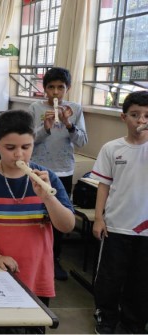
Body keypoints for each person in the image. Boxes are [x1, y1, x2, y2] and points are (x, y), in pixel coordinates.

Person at [0, 110, 75, 307]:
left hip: (36, 273)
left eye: (26, 147)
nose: (19, 154)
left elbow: (67, 226)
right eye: (10, 147)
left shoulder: (48, 178)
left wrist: (48, 199)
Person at [91, 91, 148, 334]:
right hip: (116, 226)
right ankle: (107, 317)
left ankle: (133, 323)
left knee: (141, 280)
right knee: (110, 278)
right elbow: (103, 186)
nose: (141, 120)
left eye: (147, 115)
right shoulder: (112, 148)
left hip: (144, 229)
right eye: (135, 115)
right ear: (124, 117)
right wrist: (99, 217)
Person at [28, 67, 88, 281]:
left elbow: (82, 141)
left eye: (60, 88)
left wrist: (68, 124)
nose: (55, 92)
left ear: (67, 88)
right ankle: (35, 255)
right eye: (51, 87)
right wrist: (45, 127)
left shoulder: (75, 109)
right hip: (37, 168)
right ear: (44, 89)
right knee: (36, 214)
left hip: (63, 169)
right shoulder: (35, 108)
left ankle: (55, 260)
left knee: (59, 215)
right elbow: (28, 140)